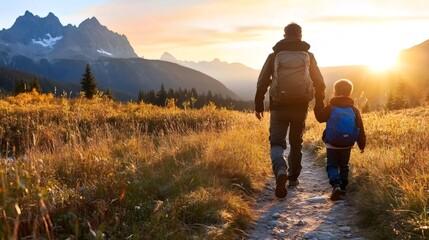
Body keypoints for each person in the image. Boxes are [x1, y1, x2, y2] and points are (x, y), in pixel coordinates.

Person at [254, 23, 326, 198]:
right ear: (300, 35)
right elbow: (319, 82)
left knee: (277, 142)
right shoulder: (308, 56)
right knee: (296, 142)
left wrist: (258, 105)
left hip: (278, 106)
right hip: (300, 106)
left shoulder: (275, 55)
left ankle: (280, 171)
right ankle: (293, 179)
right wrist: (319, 104)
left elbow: (262, 81)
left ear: (284, 35)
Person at [313, 79, 366, 201]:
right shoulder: (354, 110)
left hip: (332, 143)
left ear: (335, 92)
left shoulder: (331, 107)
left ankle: (335, 185)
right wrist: (361, 144)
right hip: (347, 144)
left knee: (332, 165)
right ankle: (343, 187)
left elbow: (320, 118)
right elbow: (360, 128)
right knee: (344, 165)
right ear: (349, 93)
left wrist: (319, 101)